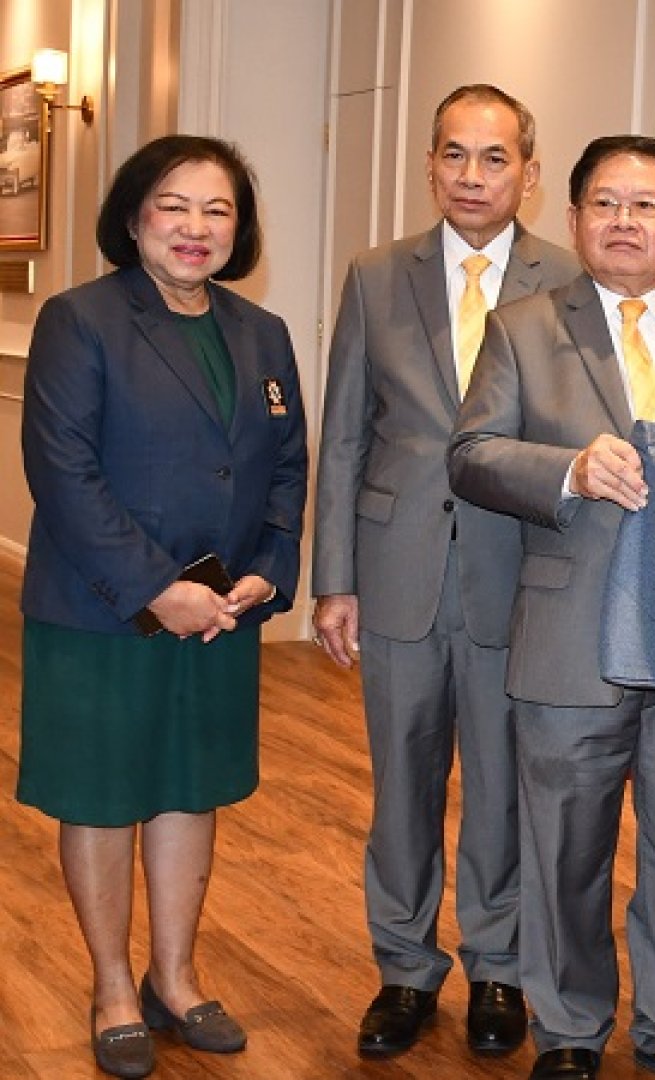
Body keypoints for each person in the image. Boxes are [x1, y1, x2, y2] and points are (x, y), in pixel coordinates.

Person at [449, 134, 655, 1080]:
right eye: (605, 203)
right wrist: (571, 470)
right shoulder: (521, 328)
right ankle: (569, 1030)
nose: (624, 222)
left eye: (645, 206)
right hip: (569, 638)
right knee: (564, 850)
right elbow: (470, 455)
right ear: (574, 217)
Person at [16, 135, 307, 1079]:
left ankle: (174, 980)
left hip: (220, 614)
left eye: (217, 210)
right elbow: (64, 473)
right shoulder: (80, 320)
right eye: (174, 205)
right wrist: (156, 589)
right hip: (103, 613)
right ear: (135, 215)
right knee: (105, 794)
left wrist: (268, 568)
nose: (195, 227)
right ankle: (111, 986)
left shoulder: (262, 332)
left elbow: (286, 465)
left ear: (239, 228)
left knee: (189, 785)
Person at [312, 83, 578, 1059]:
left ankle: (498, 968)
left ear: (529, 174)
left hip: (519, 574)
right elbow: (346, 433)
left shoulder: (565, 280)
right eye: (455, 154)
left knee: (503, 785)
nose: (473, 175)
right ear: (429, 165)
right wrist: (333, 577)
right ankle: (403, 970)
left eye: (494, 157)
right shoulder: (377, 276)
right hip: (399, 572)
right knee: (403, 785)